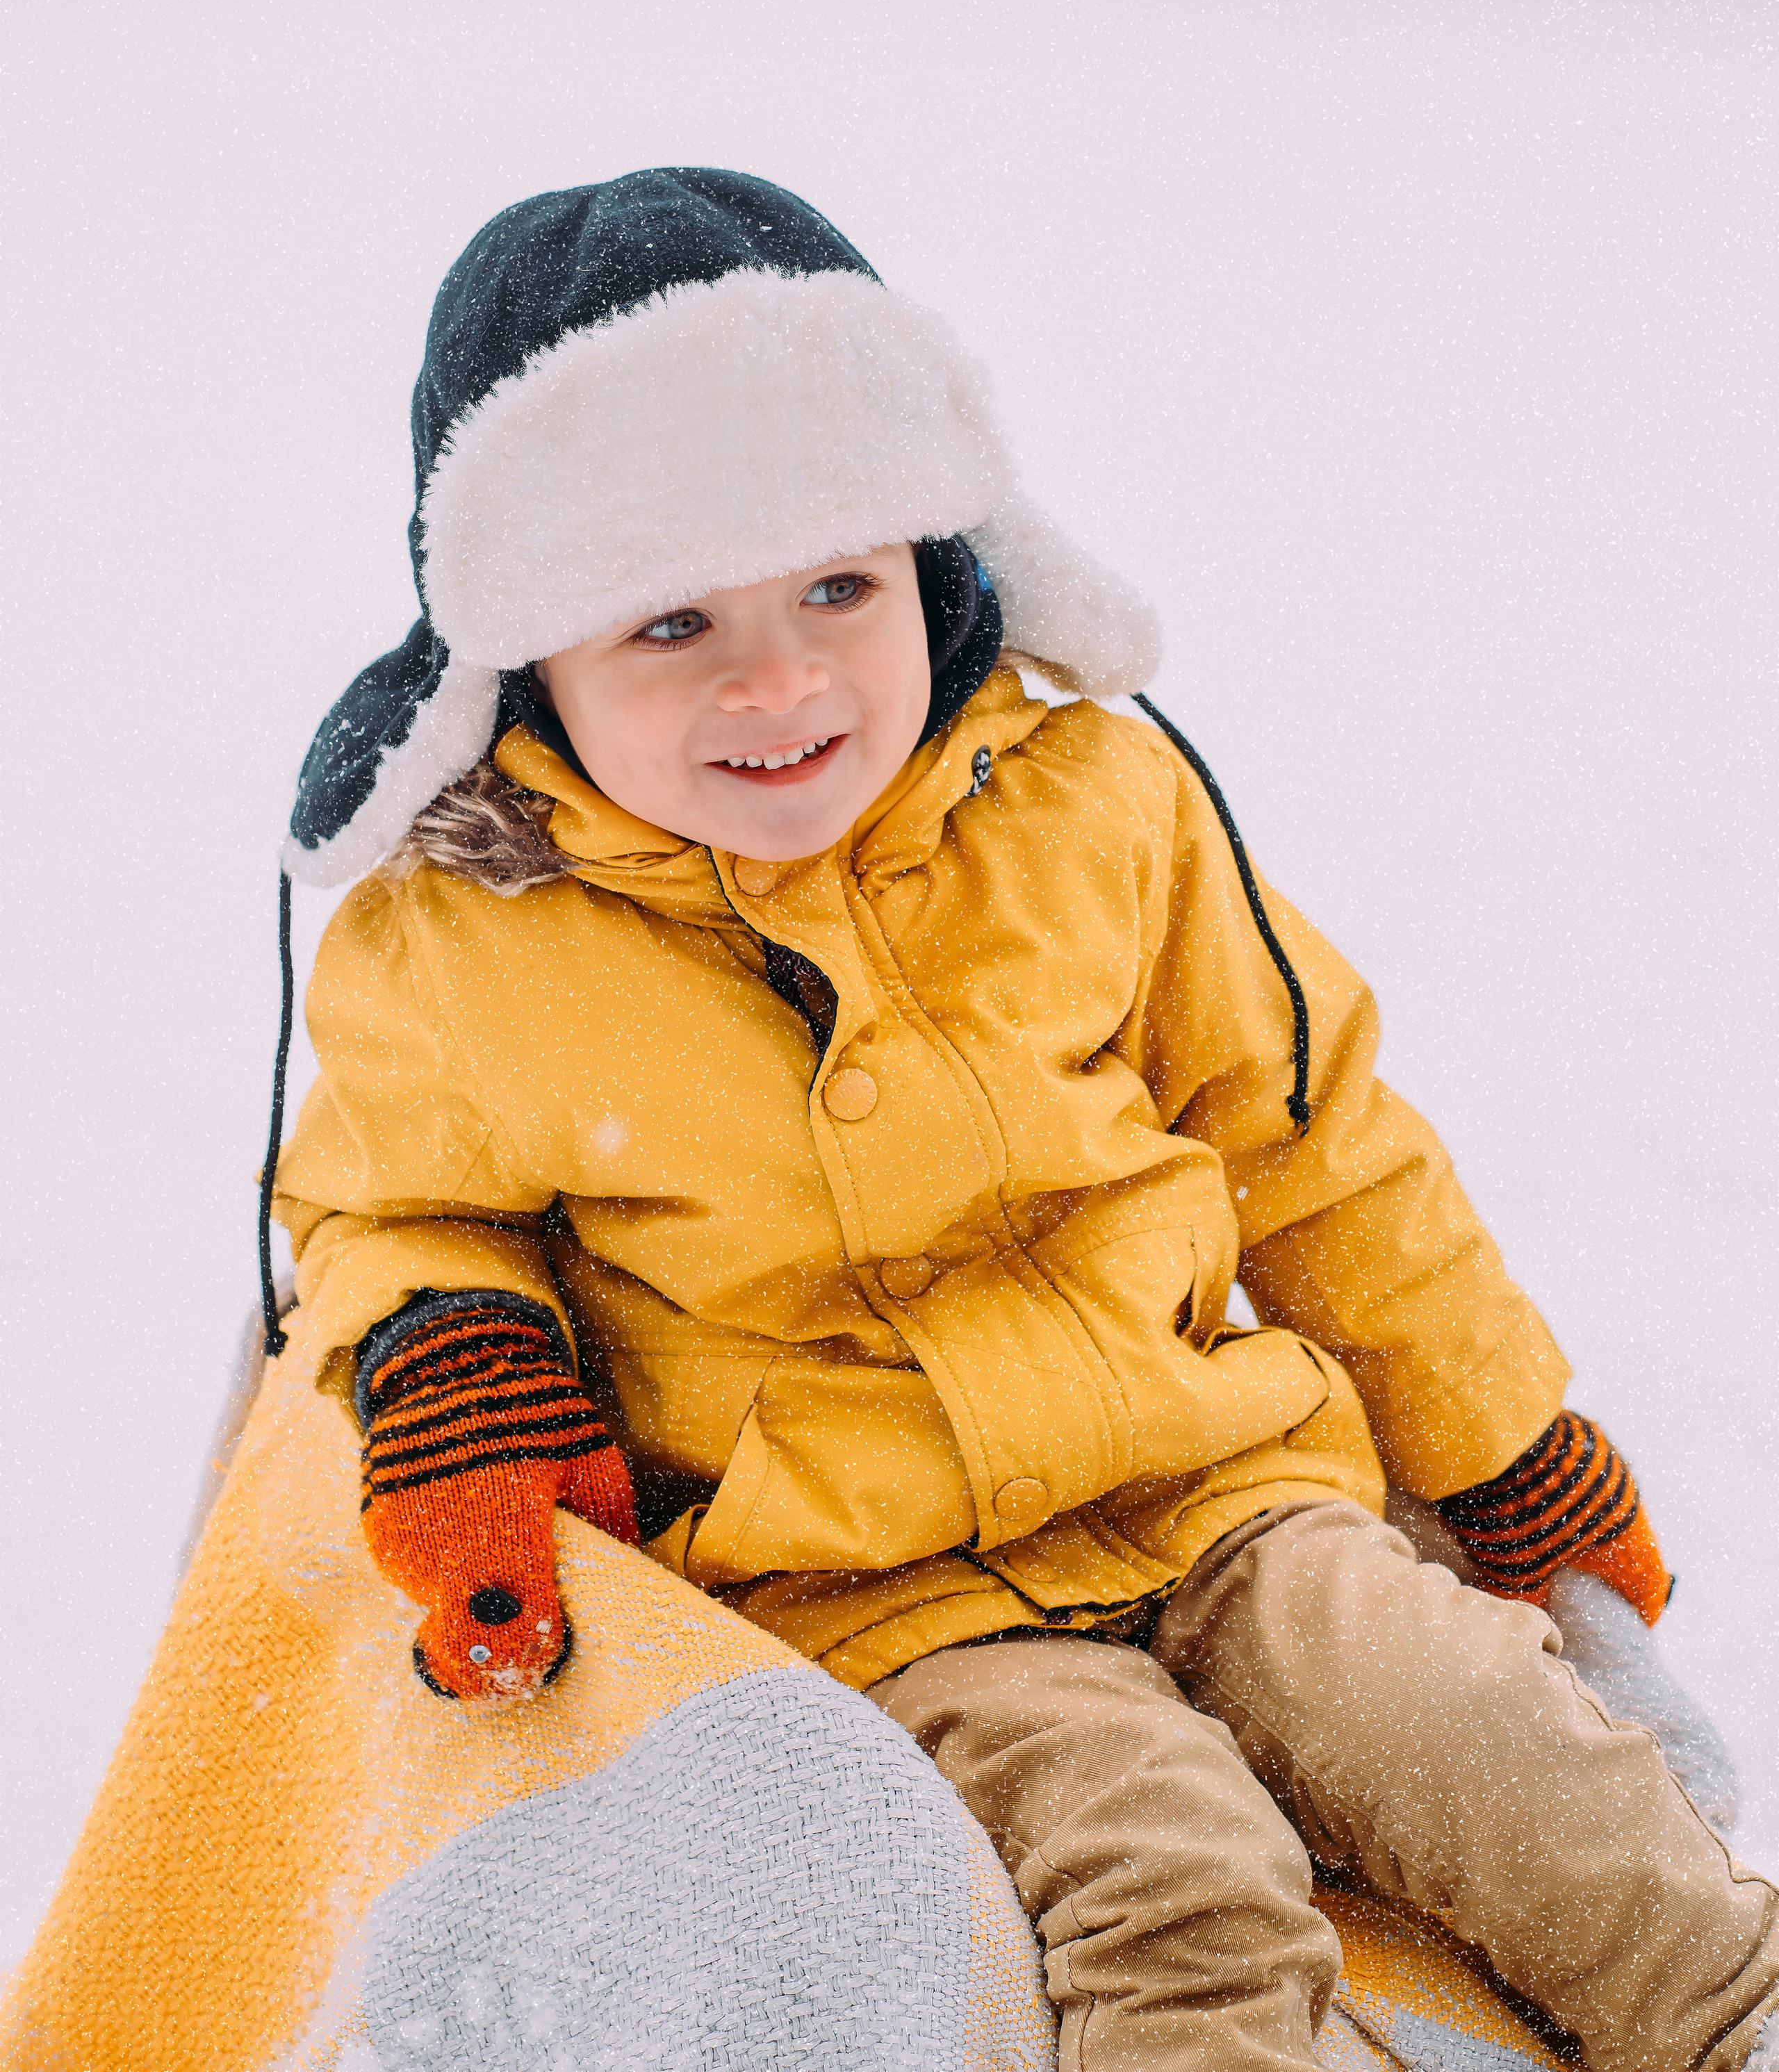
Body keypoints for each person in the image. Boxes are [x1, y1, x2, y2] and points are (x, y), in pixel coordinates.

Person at [268, 167, 1777, 2072]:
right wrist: (465, 1366)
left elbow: (1313, 1139)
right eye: (671, 621)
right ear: (527, 662)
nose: (782, 676)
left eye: (841, 583)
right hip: (878, 1586)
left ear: (939, 558)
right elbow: (391, 1212)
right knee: (1176, 1876)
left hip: (1216, 1483)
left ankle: (1734, 2019)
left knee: (1504, 1738)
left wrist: (1502, 1443)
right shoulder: (470, 941)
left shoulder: (1095, 812)